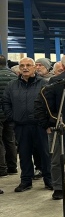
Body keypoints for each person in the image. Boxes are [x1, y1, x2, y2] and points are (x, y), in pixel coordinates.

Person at [34, 54, 65, 202]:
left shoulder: (55, 81)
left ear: (62, 66)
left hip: (60, 127)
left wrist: (47, 124)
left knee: (57, 160)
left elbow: (44, 104)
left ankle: (59, 189)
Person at [1, 57, 51, 193]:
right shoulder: (12, 85)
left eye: (28, 65)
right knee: (24, 154)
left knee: (44, 154)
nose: (25, 68)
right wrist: (12, 117)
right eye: (22, 65)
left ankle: (49, 180)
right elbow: (6, 102)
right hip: (21, 126)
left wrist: (47, 122)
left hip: (40, 126)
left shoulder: (44, 84)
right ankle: (26, 181)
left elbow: (50, 103)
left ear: (34, 67)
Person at [0, 55, 18, 194]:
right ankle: (13, 167)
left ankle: (2, 169)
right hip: (10, 114)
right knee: (10, 140)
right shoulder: (13, 76)